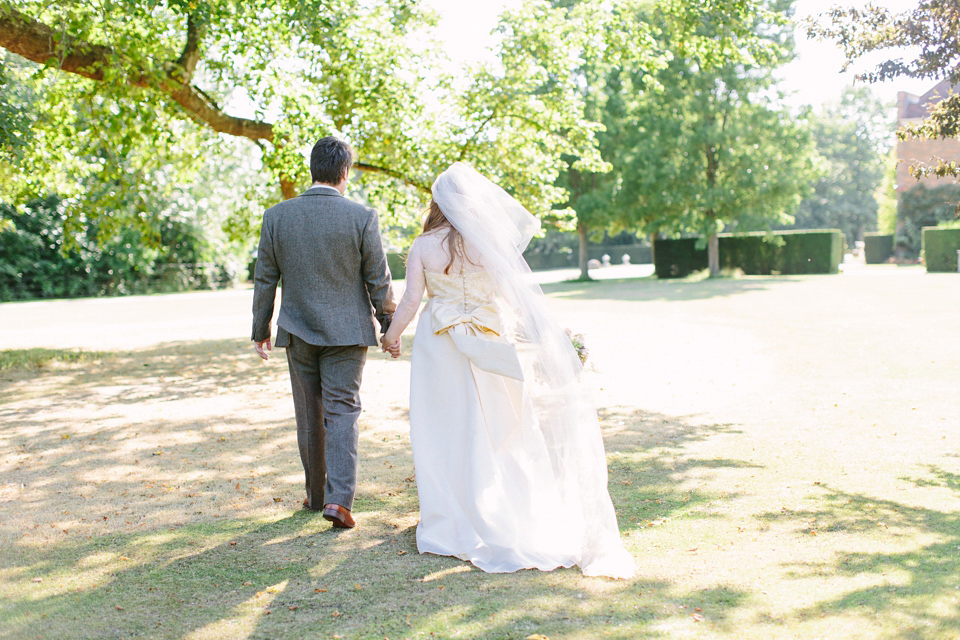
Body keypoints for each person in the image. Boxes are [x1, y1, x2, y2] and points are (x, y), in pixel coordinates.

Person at [380, 163, 635, 578]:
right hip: (489, 342)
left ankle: (449, 518)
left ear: (438, 202)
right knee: (496, 426)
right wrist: (549, 336)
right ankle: (497, 507)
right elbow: (517, 298)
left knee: (443, 426)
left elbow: (410, 300)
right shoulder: (488, 243)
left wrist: (392, 337)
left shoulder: (423, 245)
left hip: (440, 344)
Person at [252, 136, 396, 529]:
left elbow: (265, 278)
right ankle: (339, 502)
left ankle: (316, 496)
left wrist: (260, 329)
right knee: (343, 410)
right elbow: (378, 281)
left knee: (309, 415)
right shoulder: (362, 217)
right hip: (348, 332)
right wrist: (390, 327)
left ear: (312, 170)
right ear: (344, 172)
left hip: (297, 331)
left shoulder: (277, 216)